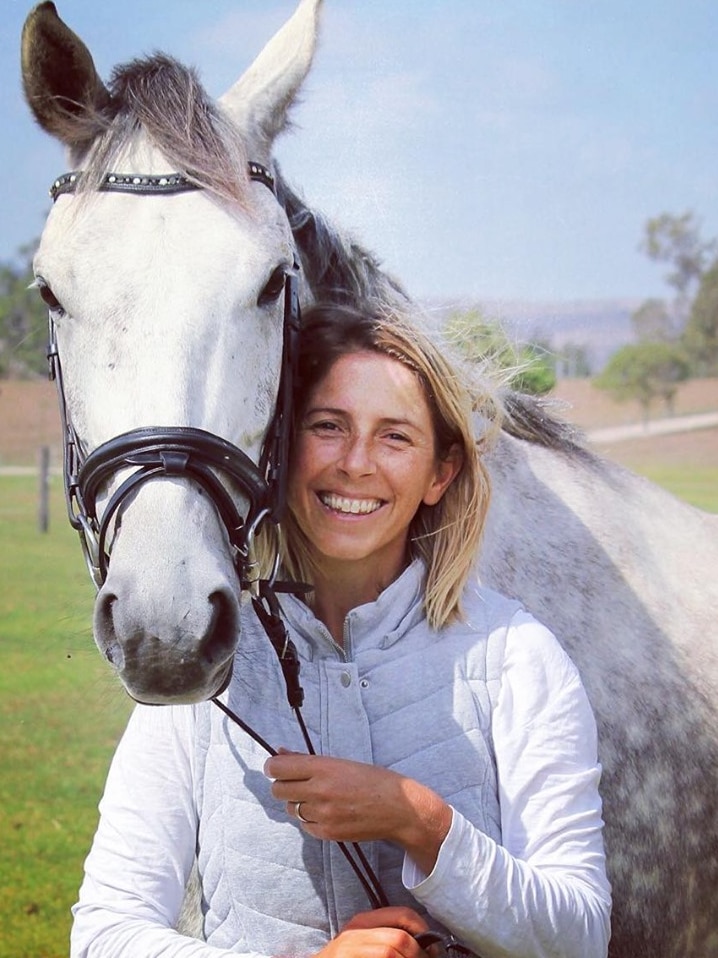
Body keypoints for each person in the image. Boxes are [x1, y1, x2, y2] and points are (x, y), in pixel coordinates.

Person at [70, 302, 611, 958]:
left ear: (439, 473)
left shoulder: (519, 658)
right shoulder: (207, 663)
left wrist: (420, 819)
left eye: (395, 436)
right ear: (284, 448)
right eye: (328, 426)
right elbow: (104, 932)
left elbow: (580, 938)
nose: (356, 463)